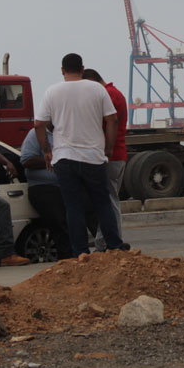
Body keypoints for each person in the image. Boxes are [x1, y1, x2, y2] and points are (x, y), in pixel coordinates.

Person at [35, 53, 129, 257]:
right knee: (102, 202)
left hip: (64, 157)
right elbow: (112, 119)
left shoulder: (52, 91)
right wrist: (109, 147)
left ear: (62, 70)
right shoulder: (97, 89)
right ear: (82, 68)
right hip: (93, 156)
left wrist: (46, 151)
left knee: (73, 206)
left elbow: (39, 124)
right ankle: (114, 245)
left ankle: (80, 251)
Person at [81, 68, 128, 252]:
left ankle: (109, 242)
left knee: (109, 201)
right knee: (107, 199)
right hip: (115, 154)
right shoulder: (114, 94)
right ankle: (105, 241)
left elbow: (105, 123)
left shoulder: (109, 95)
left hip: (111, 155)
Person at [20, 126, 73, 260]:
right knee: (60, 222)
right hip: (43, 187)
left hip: (67, 185)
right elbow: (26, 160)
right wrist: (54, 160)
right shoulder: (36, 134)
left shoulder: (66, 132)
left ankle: (106, 246)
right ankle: (66, 257)